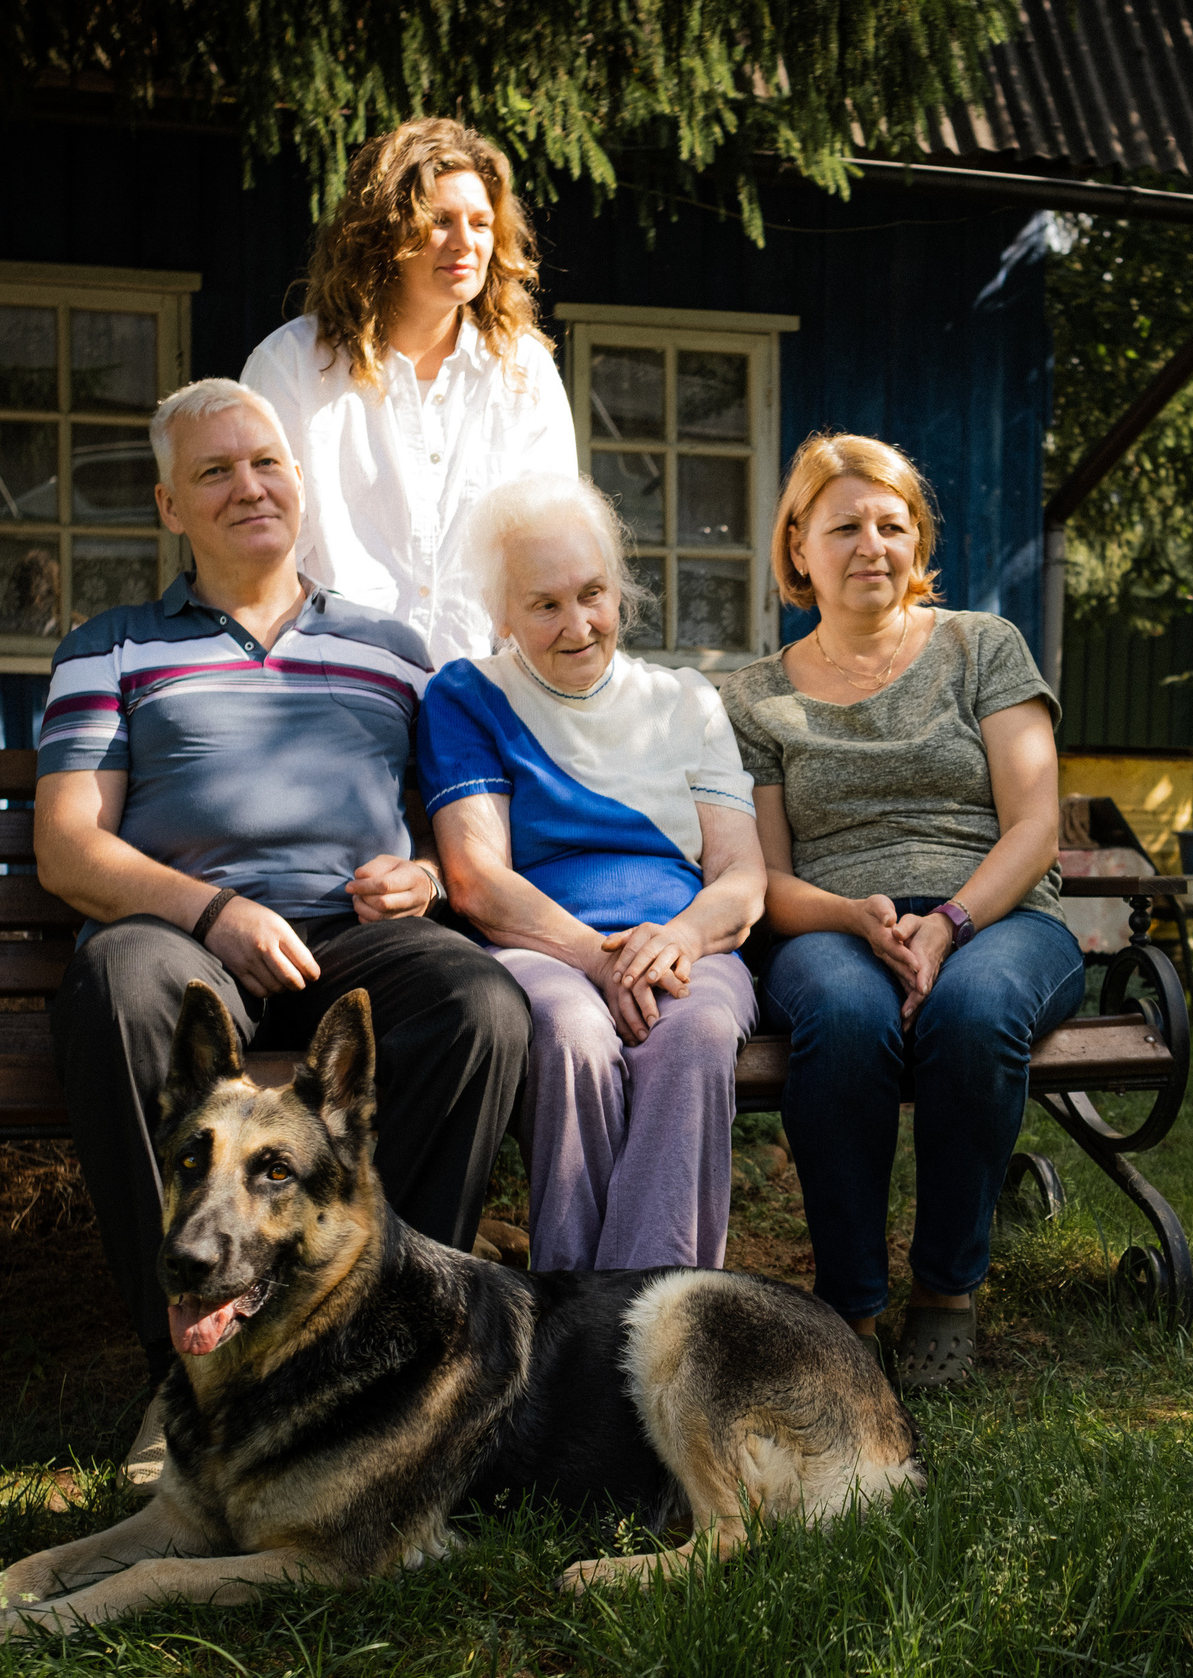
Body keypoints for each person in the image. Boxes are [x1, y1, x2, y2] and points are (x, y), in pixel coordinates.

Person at [39, 377, 529, 1477]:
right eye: (213, 471)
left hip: (349, 941)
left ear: (298, 483)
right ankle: (185, 1372)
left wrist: (424, 881)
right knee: (121, 985)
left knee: (482, 1005)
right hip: (187, 942)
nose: (248, 487)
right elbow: (70, 848)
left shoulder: (394, 651)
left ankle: (387, 1338)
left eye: (266, 463)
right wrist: (213, 909)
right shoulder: (112, 648)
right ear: (171, 506)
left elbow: (451, 829)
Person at [720, 432, 1082, 1390]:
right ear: (799, 545)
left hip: (998, 915)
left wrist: (951, 921)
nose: (872, 545)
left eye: (894, 524)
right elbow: (766, 876)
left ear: (918, 542)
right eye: (845, 526)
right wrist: (856, 918)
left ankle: (945, 1291)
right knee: (842, 1017)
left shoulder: (982, 646)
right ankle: (849, 1305)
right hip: (834, 925)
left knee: (973, 1013)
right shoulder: (752, 698)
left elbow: (1035, 823)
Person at [419, 471, 766, 1272]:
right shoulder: (468, 696)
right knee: (570, 1033)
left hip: (687, 947)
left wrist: (675, 940)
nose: (578, 625)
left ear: (620, 594)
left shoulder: (687, 700)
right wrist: (599, 956)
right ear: (503, 615)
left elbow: (742, 879)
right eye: (545, 605)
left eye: (593, 594)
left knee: (700, 1033)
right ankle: (569, 1314)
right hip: (542, 946)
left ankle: (655, 1311)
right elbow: (476, 879)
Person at [242, 116, 579, 665]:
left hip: (485, 695)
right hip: (330, 688)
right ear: (384, 232)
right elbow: (255, 551)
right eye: (440, 221)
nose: (465, 242)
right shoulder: (291, 366)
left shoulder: (524, 370)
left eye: (481, 222)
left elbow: (556, 541)